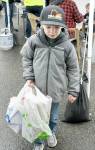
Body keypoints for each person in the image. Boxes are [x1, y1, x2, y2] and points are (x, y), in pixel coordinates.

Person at [20, 5, 80, 150]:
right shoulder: (34, 41)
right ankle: (39, 140)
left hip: (55, 92)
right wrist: (29, 77)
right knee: (38, 118)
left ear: (62, 27)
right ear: (41, 25)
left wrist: (73, 90)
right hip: (37, 90)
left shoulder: (67, 46)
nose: (52, 31)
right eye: (48, 27)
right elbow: (26, 58)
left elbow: (73, 69)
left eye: (56, 28)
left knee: (52, 118)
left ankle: (51, 133)